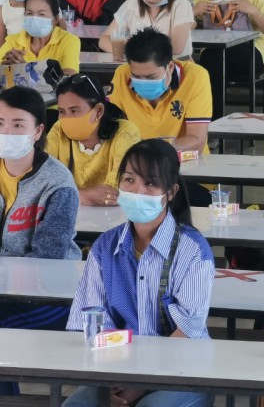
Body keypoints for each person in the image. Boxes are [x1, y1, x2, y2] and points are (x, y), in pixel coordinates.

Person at [63, 139, 215, 407]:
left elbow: (187, 331)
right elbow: (92, 322)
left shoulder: (192, 251)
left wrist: (140, 384)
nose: (137, 190)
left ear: (171, 192)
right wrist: (109, 382)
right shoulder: (104, 247)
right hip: (117, 368)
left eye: (150, 183)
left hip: (182, 370)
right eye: (129, 180)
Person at [0, 86, 80, 372]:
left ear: (37, 131)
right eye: (0, 123)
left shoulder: (57, 183)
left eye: (17, 125)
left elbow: (47, 261)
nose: (6, 132)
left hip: (46, 296)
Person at [109, 27, 211, 157]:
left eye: (151, 77)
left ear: (170, 67)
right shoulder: (122, 75)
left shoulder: (195, 77)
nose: (143, 82)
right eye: (137, 76)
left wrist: (148, 149)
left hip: (186, 162)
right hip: (139, 162)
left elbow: (197, 141)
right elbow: (110, 128)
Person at [46, 73, 141, 207]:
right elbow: (42, 182)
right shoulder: (58, 130)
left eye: (74, 111)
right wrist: (81, 195)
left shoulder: (125, 132)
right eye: (61, 111)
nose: (67, 118)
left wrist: (66, 195)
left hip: (116, 214)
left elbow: (117, 189)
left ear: (98, 111)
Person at [0, 0, 80, 75]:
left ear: (55, 19)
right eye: (29, 13)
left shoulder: (69, 40)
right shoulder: (13, 41)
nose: (34, 19)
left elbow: (69, 75)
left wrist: (26, 69)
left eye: (41, 14)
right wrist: (4, 68)